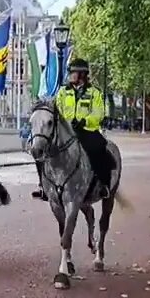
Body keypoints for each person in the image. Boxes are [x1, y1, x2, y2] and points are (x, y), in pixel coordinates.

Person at [54, 58, 113, 199]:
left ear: (81, 74)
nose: (70, 75)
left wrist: (84, 121)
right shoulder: (62, 92)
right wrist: (65, 123)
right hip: (66, 131)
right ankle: (44, 185)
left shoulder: (94, 93)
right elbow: (57, 110)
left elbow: (99, 112)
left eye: (72, 72)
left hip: (86, 130)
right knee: (45, 151)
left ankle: (103, 184)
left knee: (99, 148)